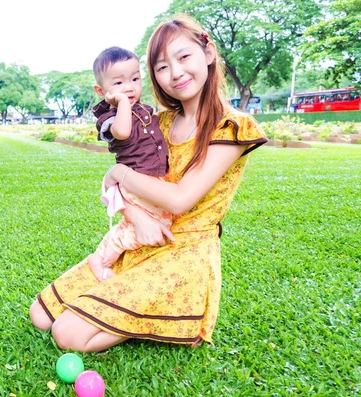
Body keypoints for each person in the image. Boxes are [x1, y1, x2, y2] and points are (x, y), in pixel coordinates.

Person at [29, 14, 267, 353]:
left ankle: (169, 313)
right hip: (139, 237)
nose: (176, 73)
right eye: (161, 66)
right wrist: (135, 213)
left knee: (67, 334)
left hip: (183, 253)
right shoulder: (158, 122)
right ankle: (129, 308)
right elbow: (117, 184)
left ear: (209, 53)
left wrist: (118, 173)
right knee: (40, 314)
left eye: (184, 57)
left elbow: (180, 199)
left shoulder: (232, 126)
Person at [87, 46, 172, 281]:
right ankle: (108, 255)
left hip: (148, 179)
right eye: (118, 83)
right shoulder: (110, 116)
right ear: (101, 90)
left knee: (139, 221)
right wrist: (122, 102)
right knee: (162, 220)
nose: (129, 87)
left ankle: (100, 257)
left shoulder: (143, 109)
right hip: (134, 180)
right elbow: (122, 132)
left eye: (135, 78)